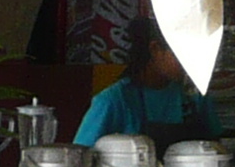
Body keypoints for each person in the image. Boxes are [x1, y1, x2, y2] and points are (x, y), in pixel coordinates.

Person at [74, 19, 223, 147]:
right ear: (156, 49)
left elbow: (216, 149)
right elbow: (81, 158)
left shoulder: (195, 97)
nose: (191, 62)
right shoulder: (113, 101)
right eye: (183, 54)